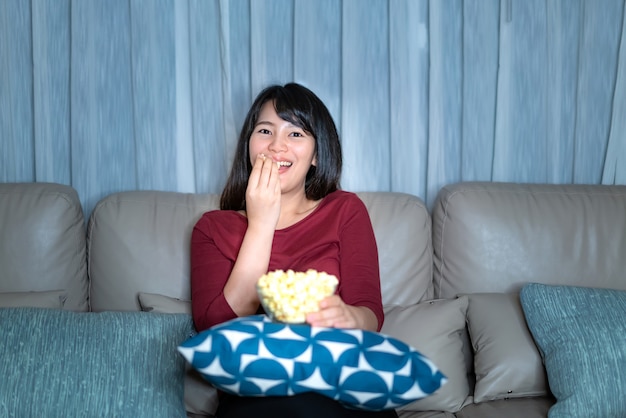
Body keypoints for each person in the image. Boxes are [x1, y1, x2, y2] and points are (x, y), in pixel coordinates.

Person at [190, 82, 398, 418]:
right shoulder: (211, 228)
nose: (277, 145)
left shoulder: (345, 210)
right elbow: (219, 330)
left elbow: (369, 312)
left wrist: (348, 317)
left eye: (295, 134)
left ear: (316, 155)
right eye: (265, 130)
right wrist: (261, 224)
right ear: (249, 146)